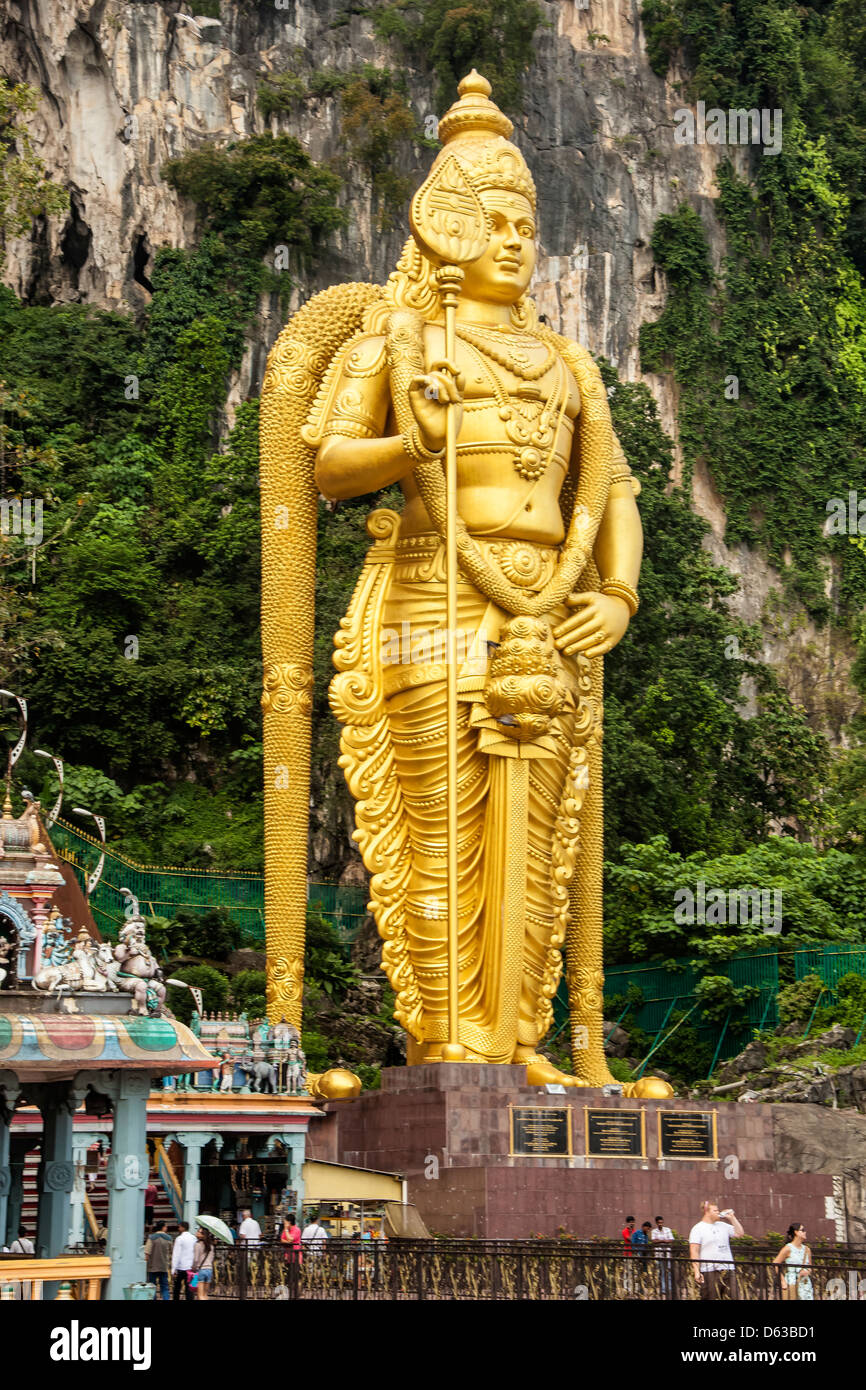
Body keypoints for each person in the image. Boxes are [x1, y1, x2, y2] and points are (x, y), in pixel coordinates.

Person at [689, 1201, 744, 1300]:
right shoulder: (698, 1228)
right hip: (709, 1270)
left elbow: (739, 1233)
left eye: (718, 1210)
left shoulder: (723, 1226)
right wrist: (697, 1271)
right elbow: (694, 1251)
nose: (718, 1212)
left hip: (728, 1269)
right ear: (707, 1211)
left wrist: (732, 1218)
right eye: (715, 1210)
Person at [774, 1223, 813, 1301]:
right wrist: (782, 1281)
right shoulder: (788, 1248)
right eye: (802, 1230)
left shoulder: (807, 1249)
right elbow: (775, 1263)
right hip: (792, 1282)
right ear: (796, 1232)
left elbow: (810, 1267)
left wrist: (807, 1271)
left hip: (805, 1284)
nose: (805, 1232)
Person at [144, 1220, 172, 1300]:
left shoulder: (151, 1238)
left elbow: (147, 1253)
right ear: (163, 1227)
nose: (166, 1228)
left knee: (152, 1287)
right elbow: (171, 1251)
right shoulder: (168, 1238)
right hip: (163, 1267)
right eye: (166, 1226)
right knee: (165, 1287)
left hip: (152, 1267)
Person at [650, 1215, 674, 1297]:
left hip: (667, 1253)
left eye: (661, 1222)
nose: (660, 1224)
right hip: (659, 1254)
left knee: (669, 1270)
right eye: (659, 1223)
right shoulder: (654, 1231)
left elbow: (671, 1239)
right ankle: (663, 1289)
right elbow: (653, 1241)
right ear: (656, 1223)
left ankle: (669, 1287)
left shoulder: (667, 1230)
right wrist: (664, 1240)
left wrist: (660, 1241)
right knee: (661, 1271)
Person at [171, 1220, 195, 1300]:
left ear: (182, 1228)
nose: (178, 1228)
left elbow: (176, 1254)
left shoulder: (179, 1238)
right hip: (190, 1267)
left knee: (177, 1288)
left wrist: (173, 1268)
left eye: (179, 1227)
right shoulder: (193, 1238)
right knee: (189, 1289)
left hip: (180, 1267)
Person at [191, 1228, 215, 1301]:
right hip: (209, 1270)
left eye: (199, 1231)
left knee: (200, 1295)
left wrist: (193, 1268)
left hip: (201, 1270)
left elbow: (195, 1259)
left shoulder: (197, 1244)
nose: (197, 1232)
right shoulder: (211, 1245)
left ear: (202, 1235)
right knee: (205, 1295)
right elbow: (212, 1258)